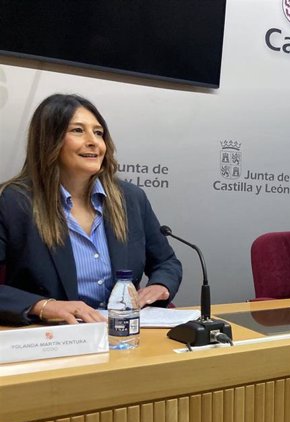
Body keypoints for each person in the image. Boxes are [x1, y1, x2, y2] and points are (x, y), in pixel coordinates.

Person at [0, 94, 182, 326]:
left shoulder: (130, 198)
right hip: (52, 337)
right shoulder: (13, 202)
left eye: (98, 133)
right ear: (49, 140)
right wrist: (43, 306)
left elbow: (166, 262)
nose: (94, 141)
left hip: (123, 333)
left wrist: (160, 285)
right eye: (78, 130)